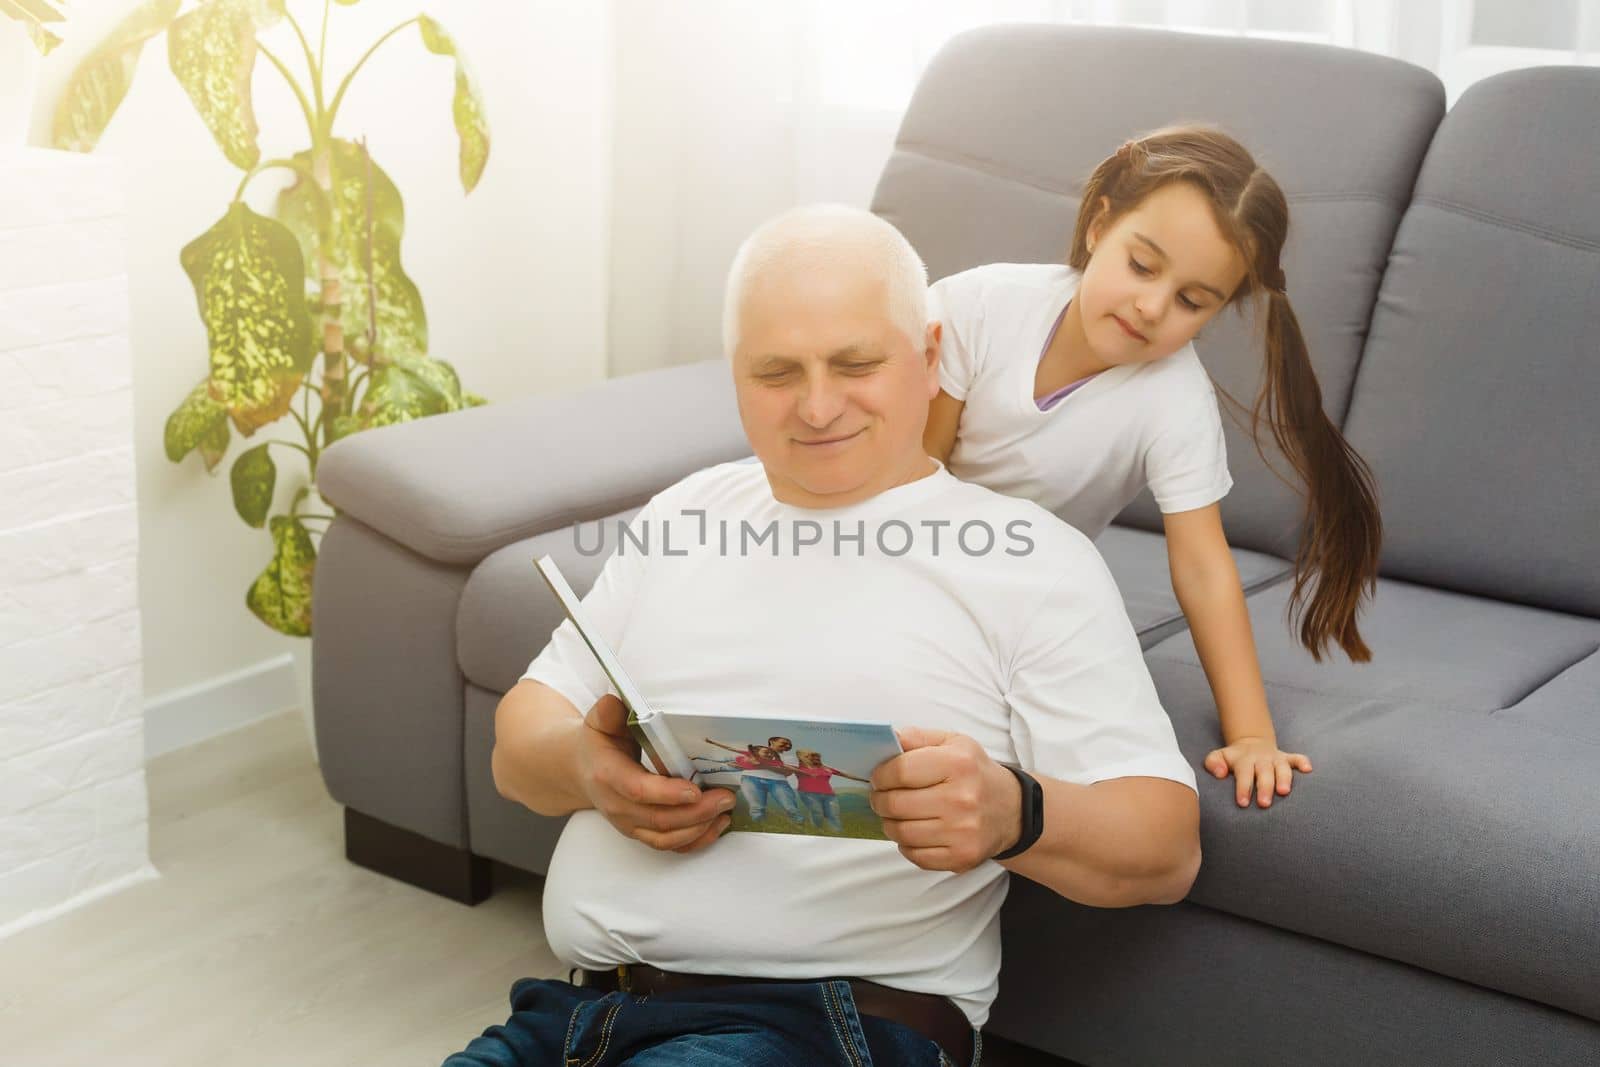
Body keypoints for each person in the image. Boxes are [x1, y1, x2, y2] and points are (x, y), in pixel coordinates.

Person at [457, 204, 1200, 1067]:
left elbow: (1166, 846)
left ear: (929, 356)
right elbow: (519, 748)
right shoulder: (686, 514)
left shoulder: (1034, 560)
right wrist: (590, 769)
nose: (816, 406)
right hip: (570, 1017)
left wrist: (1015, 810)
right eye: (777, 373)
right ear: (734, 376)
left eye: (855, 364)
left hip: (830, 1028)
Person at [923, 125, 1382, 810]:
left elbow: (1202, 567)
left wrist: (1252, 731)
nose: (1152, 306)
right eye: (1142, 266)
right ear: (1099, 227)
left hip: (1021, 598)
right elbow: (912, 474)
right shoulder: (982, 306)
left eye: (1192, 301)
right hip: (911, 551)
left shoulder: (1175, 401)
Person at [786, 749, 871, 832]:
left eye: (818, 758)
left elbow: (845, 775)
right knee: (817, 812)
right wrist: (804, 761)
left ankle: (837, 832)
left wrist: (864, 780)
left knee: (833, 814)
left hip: (829, 795)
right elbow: (782, 764)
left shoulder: (826, 769)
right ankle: (817, 830)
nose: (817, 759)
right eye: (813, 758)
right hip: (808, 794)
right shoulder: (799, 768)